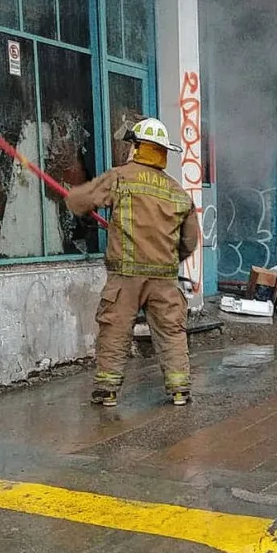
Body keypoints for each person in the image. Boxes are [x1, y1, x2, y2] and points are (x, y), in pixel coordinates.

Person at [66, 117, 199, 408]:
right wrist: (168, 258)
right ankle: (180, 389)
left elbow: (78, 202)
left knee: (115, 329)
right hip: (164, 279)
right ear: (162, 152)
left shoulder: (120, 177)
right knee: (171, 332)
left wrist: (71, 196)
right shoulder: (177, 192)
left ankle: (107, 390)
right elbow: (190, 241)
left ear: (137, 147)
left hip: (126, 276)